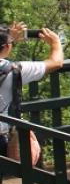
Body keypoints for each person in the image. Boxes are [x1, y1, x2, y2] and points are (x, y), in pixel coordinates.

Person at [0, 23, 63, 159]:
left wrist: (8, 37)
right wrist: (55, 42)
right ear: (6, 47)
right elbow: (56, 62)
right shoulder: (16, 70)